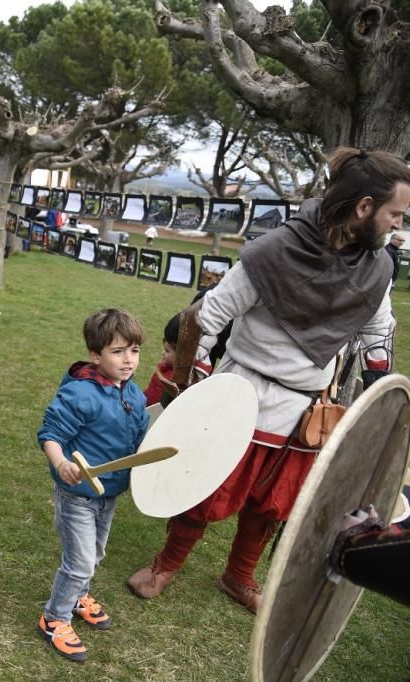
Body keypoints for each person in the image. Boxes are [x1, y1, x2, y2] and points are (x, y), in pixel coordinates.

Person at [127, 147, 406, 613]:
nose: (398, 223)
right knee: (204, 487)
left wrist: (382, 401)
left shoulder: (376, 269)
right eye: (395, 213)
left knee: (272, 505)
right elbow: (203, 318)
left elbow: (378, 334)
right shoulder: (273, 253)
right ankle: (166, 564)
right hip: (241, 394)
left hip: (307, 409)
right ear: (364, 208)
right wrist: (190, 388)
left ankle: (239, 576)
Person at [36, 309, 149, 662]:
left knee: (95, 555)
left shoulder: (135, 394)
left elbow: (144, 435)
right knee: (80, 560)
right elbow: (50, 435)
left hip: (109, 494)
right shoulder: (81, 395)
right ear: (95, 355)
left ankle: (79, 594)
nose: (128, 360)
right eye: (117, 352)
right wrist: (62, 463)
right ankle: (54, 618)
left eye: (134, 350)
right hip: (77, 496)